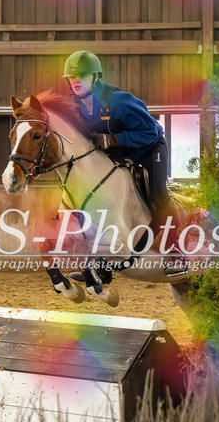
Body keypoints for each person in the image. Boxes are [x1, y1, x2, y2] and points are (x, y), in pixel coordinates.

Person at [62, 50, 187, 277]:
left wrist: (114, 139)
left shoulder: (118, 101)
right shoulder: (75, 108)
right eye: (72, 77)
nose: (76, 81)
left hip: (149, 148)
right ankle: (102, 264)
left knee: (158, 194)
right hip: (118, 155)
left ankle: (176, 251)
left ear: (95, 77)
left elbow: (151, 131)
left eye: (82, 76)